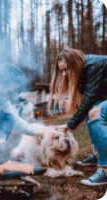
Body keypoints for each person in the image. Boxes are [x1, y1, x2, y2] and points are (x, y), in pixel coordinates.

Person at [48, 47, 107, 186]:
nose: (63, 74)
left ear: (74, 63)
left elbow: (89, 98)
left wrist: (69, 125)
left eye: (66, 69)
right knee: (90, 111)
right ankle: (97, 154)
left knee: (95, 112)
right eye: (62, 70)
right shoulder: (83, 69)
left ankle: (105, 170)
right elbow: (89, 100)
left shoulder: (93, 65)